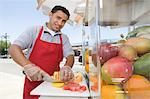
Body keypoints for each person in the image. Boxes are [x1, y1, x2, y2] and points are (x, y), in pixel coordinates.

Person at [9, 5, 74, 99]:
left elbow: (70, 56)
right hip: (32, 84)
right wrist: (28, 66)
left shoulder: (64, 38)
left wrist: (67, 66)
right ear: (50, 15)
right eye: (58, 18)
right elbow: (14, 48)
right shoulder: (34, 31)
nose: (60, 23)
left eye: (64, 21)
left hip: (53, 84)